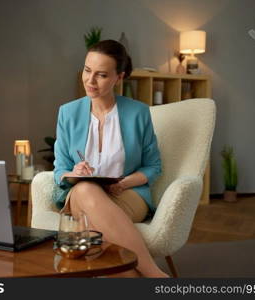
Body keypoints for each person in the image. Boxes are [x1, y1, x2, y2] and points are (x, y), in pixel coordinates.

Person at [52, 40, 168, 278]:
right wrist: (74, 173)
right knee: (86, 189)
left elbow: (153, 166)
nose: (90, 81)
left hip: (126, 195)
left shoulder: (138, 113)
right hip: (80, 198)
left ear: (119, 77)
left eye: (101, 75)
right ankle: (156, 275)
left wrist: (125, 183)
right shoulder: (68, 112)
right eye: (87, 70)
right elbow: (59, 170)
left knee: (98, 234)